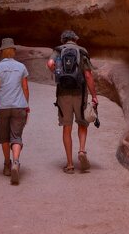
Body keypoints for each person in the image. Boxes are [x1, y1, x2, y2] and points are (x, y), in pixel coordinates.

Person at [47, 29, 98, 174]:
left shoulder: (58, 51)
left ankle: (69, 165)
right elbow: (88, 75)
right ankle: (82, 151)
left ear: (63, 40)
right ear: (75, 39)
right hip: (80, 93)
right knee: (82, 123)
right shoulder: (82, 51)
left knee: (66, 127)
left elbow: (50, 64)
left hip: (63, 94)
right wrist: (94, 95)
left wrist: (59, 74)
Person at [0, 37, 30, 184]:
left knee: (5, 137)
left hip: (2, 107)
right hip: (19, 106)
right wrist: (26, 105)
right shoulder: (21, 67)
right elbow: (25, 88)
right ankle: (16, 162)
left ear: (2, 52)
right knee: (16, 137)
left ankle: (7, 164)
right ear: (13, 51)